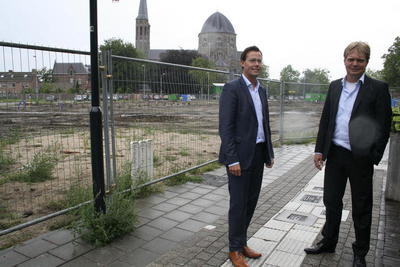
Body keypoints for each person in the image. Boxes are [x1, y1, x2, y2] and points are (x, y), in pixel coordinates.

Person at [304, 42, 392, 267]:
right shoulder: (334, 86)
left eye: (359, 60)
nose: (354, 64)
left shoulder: (378, 88)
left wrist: (374, 156)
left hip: (360, 158)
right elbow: (326, 120)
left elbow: (384, 124)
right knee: (331, 201)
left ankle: (360, 253)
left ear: (366, 62)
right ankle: (329, 241)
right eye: (350, 59)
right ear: (344, 60)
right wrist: (319, 150)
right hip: (335, 154)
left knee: (361, 206)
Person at [219, 46, 274, 267]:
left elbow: (265, 124)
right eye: (252, 60)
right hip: (239, 158)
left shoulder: (261, 90)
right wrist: (232, 159)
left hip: (258, 154)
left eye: (259, 60)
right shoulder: (232, 89)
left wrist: (269, 153)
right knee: (238, 205)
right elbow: (226, 127)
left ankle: (242, 243)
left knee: (251, 203)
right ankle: (234, 250)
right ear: (242, 63)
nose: (256, 64)